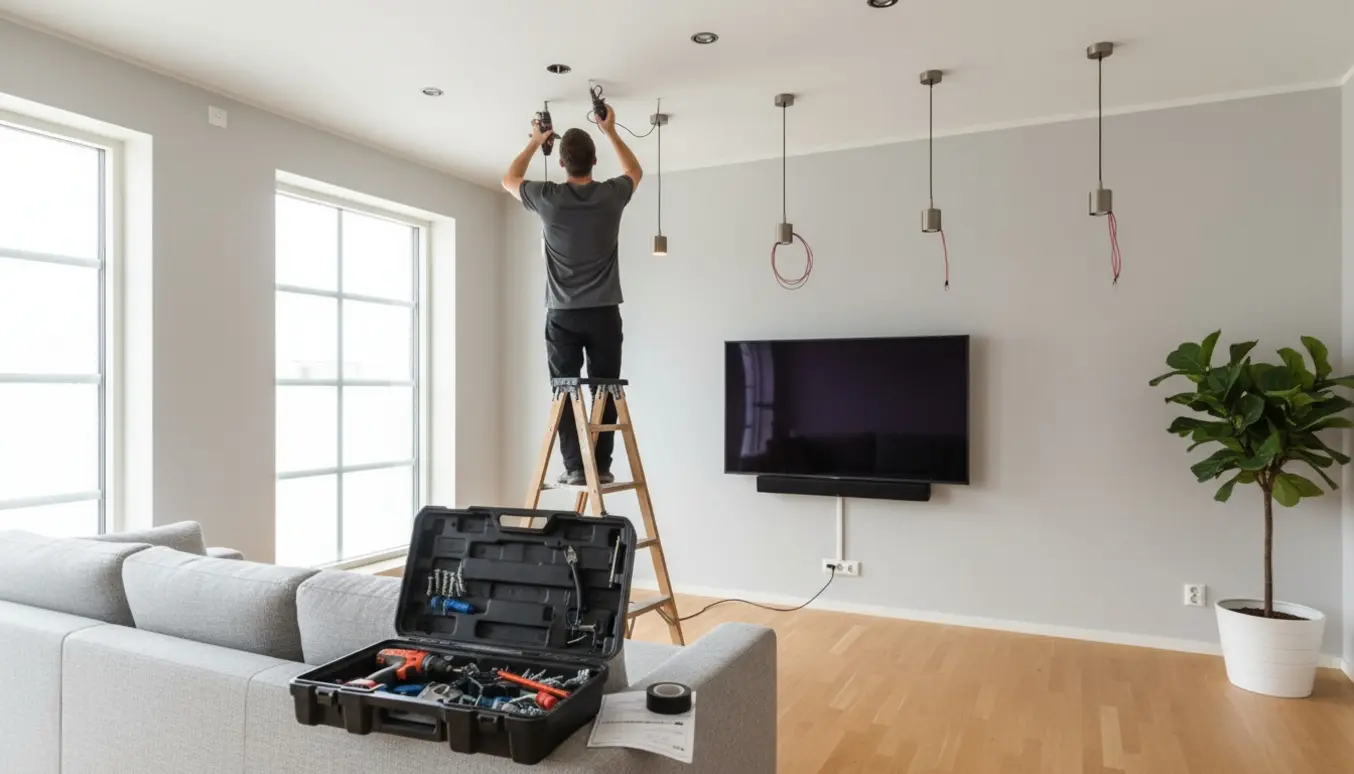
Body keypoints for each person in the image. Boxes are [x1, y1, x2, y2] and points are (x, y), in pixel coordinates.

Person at [502, 106, 643, 486]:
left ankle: (576, 467)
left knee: (565, 389)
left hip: (562, 314)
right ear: (594, 161)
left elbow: (509, 179)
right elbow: (635, 171)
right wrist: (610, 131)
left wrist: (535, 141)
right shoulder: (611, 195)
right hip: (604, 313)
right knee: (605, 387)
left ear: (562, 164)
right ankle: (602, 465)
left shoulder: (548, 197)